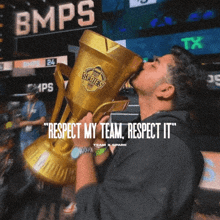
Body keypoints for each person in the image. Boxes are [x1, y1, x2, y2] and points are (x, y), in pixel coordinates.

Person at [68, 45, 206, 220]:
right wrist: (98, 142)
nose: (145, 63)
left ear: (165, 90)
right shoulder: (149, 130)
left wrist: (82, 150)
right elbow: (115, 184)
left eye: (154, 65)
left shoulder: (164, 145)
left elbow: (95, 214)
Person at [19, 84, 47, 152]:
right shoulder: (25, 104)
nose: (29, 97)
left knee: (33, 158)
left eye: (31, 94)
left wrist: (28, 123)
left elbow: (42, 120)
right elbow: (20, 120)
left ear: (35, 94)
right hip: (23, 136)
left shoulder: (40, 104)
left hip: (34, 136)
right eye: (28, 95)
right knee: (24, 158)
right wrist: (18, 119)